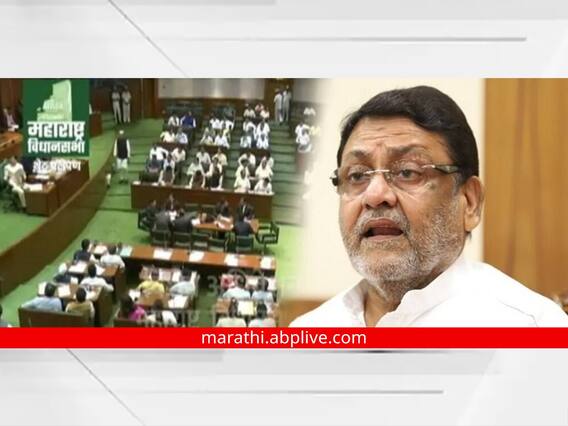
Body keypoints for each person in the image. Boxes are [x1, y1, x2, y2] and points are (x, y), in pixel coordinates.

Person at [291, 85, 568, 327]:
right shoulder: (308, 332)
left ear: (470, 203)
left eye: (408, 172)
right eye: (357, 175)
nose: (375, 195)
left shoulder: (532, 329)